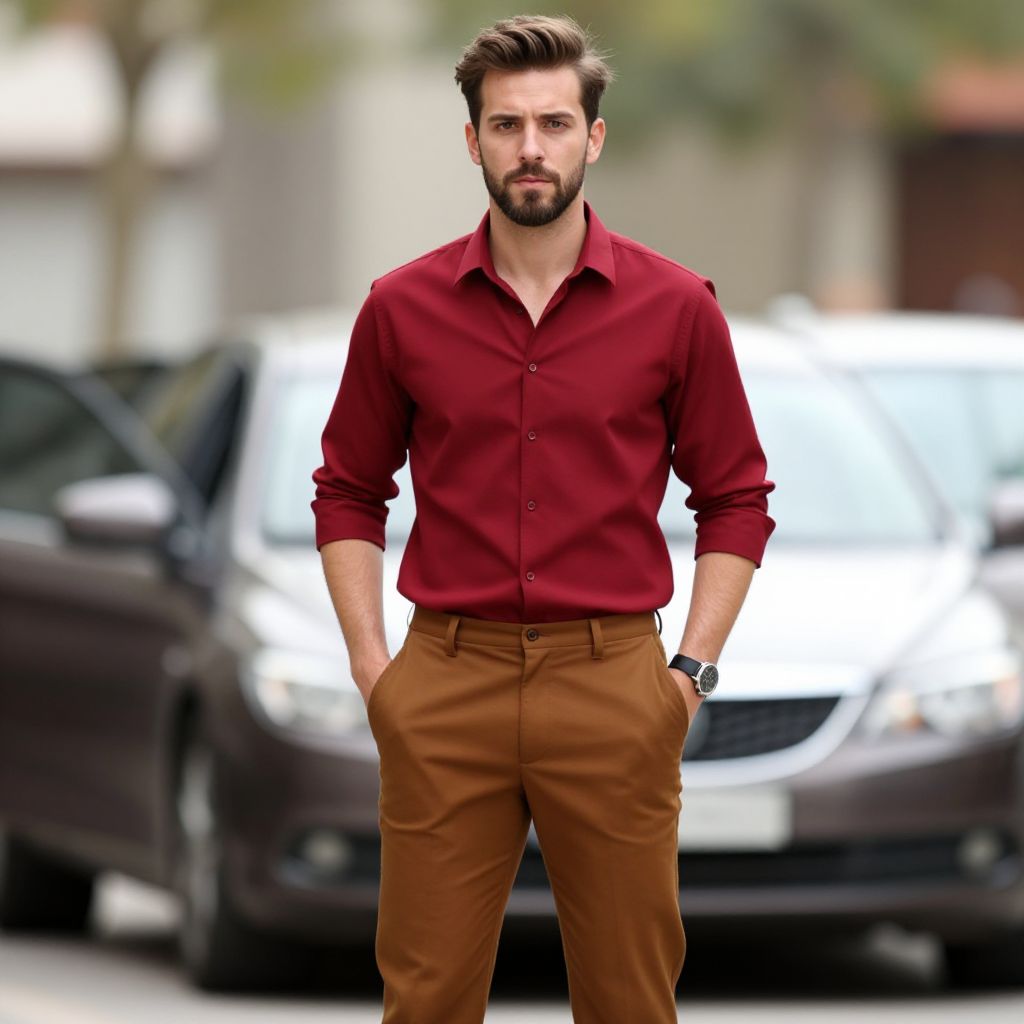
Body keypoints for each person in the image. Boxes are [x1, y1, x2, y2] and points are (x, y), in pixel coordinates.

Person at [311, 13, 776, 1023]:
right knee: (424, 999)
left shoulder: (674, 307)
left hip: (613, 683)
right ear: (471, 139)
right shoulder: (400, 308)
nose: (532, 148)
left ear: (592, 139)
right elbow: (349, 486)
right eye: (508, 124)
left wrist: (686, 675)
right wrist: (372, 668)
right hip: (444, 678)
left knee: (628, 1000)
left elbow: (736, 496)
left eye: (555, 123)